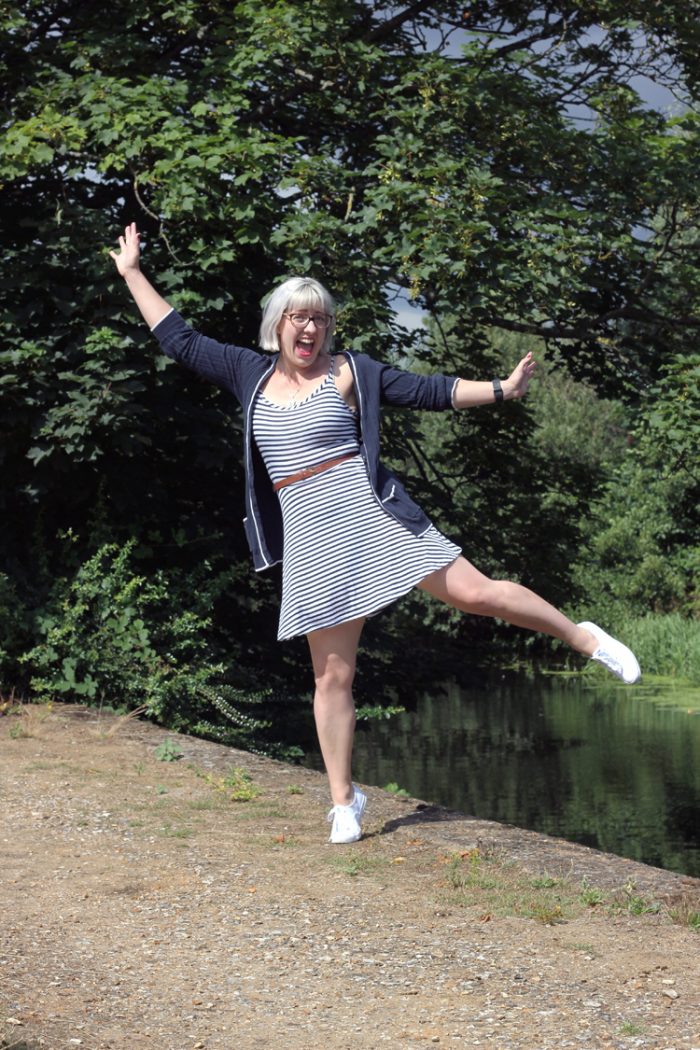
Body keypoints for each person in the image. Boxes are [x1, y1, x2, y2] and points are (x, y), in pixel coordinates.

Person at [110, 222, 641, 845]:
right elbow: (180, 339)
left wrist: (501, 390)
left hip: (371, 515)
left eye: (320, 320)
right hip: (310, 536)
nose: (309, 329)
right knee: (332, 678)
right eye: (298, 318)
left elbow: (429, 391)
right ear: (277, 324)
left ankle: (584, 638)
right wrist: (132, 273)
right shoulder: (246, 373)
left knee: (476, 594)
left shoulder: (352, 371)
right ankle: (343, 802)